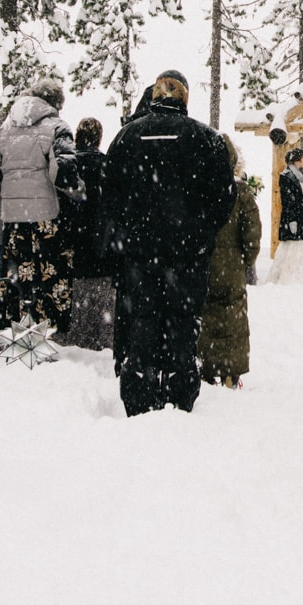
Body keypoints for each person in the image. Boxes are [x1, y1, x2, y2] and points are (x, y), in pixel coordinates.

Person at [104, 72, 236, 416]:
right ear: (184, 98)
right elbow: (224, 198)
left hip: (141, 251)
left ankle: (138, 389)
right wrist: (200, 232)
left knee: (143, 319)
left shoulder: (126, 137)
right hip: (186, 253)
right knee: (183, 321)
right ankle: (179, 391)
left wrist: (130, 231)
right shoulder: (205, 139)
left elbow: (110, 194)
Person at [0, 78, 78, 345]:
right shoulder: (58, 127)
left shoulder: (6, 129)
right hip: (46, 217)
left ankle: (19, 334)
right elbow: (64, 172)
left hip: (14, 218)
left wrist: (3, 197)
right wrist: (74, 192)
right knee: (49, 277)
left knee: (18, 277)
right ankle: (46, 337)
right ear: (56, 103)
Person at [197, 139, 260, 387]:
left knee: (206, 315)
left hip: (204, 263)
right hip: (232, 264)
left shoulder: (199, 189)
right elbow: (252, 234)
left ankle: (206, 366)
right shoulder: (241, 192)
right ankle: (230, 372)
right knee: (232, 317)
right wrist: (245, 261)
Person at [58, 118, 117, 350]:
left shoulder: (69, 167)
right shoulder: (108, 166)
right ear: (99, 138)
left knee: (79, 305)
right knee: (104, 310)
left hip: (75, 245)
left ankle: (78, 336)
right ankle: (102, 338)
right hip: (103, 247)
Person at [270, 147, 303, 284]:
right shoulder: (286, 177)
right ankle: (292, 276)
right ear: (296, 160)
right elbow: (287, 200)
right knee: (293, 248)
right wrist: (291, 219)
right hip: (294, 217)